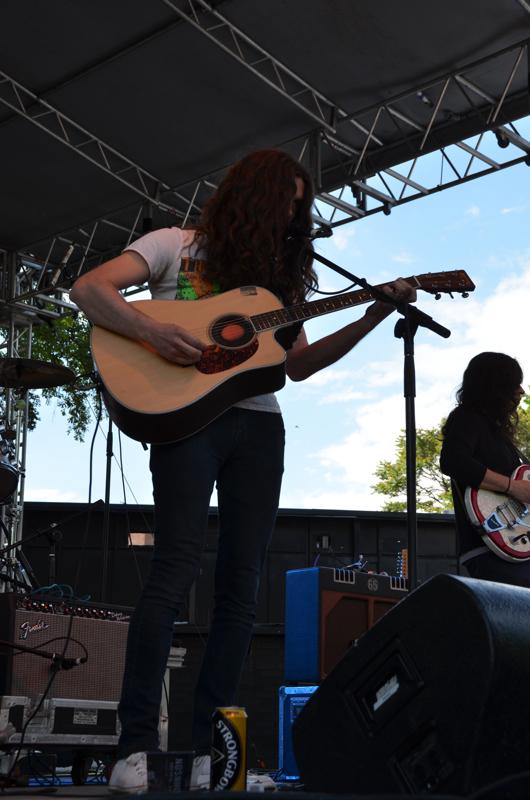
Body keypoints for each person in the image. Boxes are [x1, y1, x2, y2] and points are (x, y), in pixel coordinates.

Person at [70, 149, 416, 794]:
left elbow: (299, 366)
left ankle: (213, 755)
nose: (292, 213)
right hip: (186, 419)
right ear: (250, 197)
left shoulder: (276, 285)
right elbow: (90, 289)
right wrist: (151, 332)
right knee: (174, 570)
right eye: (284, 200)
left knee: (240, 586)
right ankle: (134, 748)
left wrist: (373, 313)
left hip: (258, 424)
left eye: (299, 205)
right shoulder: (173, 243)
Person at [440, 351, 530, 586]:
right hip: (490, 544)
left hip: (516, 541)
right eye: (514, 384)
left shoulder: (497, 434)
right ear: (495, 387)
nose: (521, 391)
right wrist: (513, 487)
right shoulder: (466, 417)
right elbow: (452, 461)